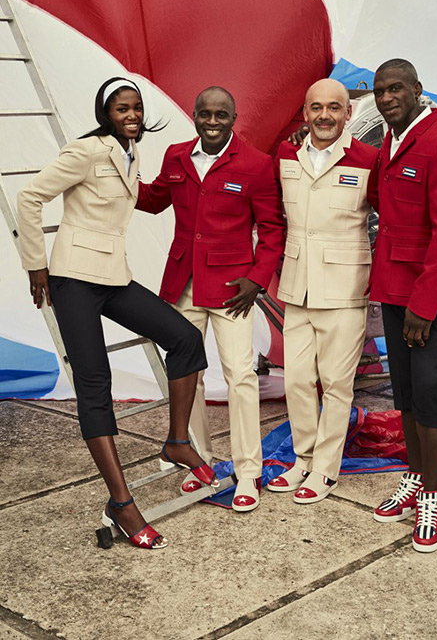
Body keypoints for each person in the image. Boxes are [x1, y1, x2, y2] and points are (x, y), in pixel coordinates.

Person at [16, 77, 215, 550]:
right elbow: (29, 197)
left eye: (136, 108)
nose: (132, 115)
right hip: (73, 280)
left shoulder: (131, 153)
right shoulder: (86, 151)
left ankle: (177, 441)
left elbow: (143, 200)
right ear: (105, 113)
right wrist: (36, 265)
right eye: (122, 108)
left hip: (112, 276)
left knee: (185, 338)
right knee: (95, 385)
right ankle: (122, 504)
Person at [135, 86, 285, 512]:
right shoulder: (177, 156)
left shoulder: (256, 164)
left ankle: (248, 472)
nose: (212, 122)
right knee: (188, 377)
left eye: (221, 115)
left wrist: (256, 279)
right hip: (183, 284)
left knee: (240, 376)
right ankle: (197, 462)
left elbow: (272, 229)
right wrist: (117, 171)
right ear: (196, 115)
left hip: (233, 290)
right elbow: (153, 200)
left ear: (233, 118)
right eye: (205, 114)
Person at [368, 59, 437, 553]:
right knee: (406, 390)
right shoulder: (390, 142)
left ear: (417, 89)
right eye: (379, 91)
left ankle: (433, 495)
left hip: (434, 295)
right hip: (394, 287)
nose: (387, 98)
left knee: (431, 388)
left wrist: (424, 306)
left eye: (396, 89)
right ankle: (415, 475)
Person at [267, 78, 379, 503]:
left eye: (334, 107)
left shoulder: (368, 159)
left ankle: (325, 470)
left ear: (348, 113)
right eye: (317, 107)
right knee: (297, 380)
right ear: (305, 112)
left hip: (345, 288)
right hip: (298, 287)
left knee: (336, 384)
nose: (325, 115)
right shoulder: (285, 154)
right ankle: (302, 459)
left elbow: (398, 213)